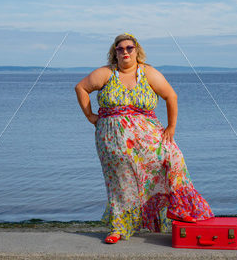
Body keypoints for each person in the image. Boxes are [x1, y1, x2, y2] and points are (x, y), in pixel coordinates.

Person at [74, 33, 214, 243]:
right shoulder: (106, 73)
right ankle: (117, 228)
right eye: (120, 49)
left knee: (173, 158)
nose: (125, 52)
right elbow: (81, 88)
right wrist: (90, 116)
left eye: (129, 48)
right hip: (112, 140)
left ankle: (179, 207)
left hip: (149, 136)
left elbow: (171, 96)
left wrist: (172, 127)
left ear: (137, 51)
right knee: (120, 182)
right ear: (115, 53)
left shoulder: (148, 73)